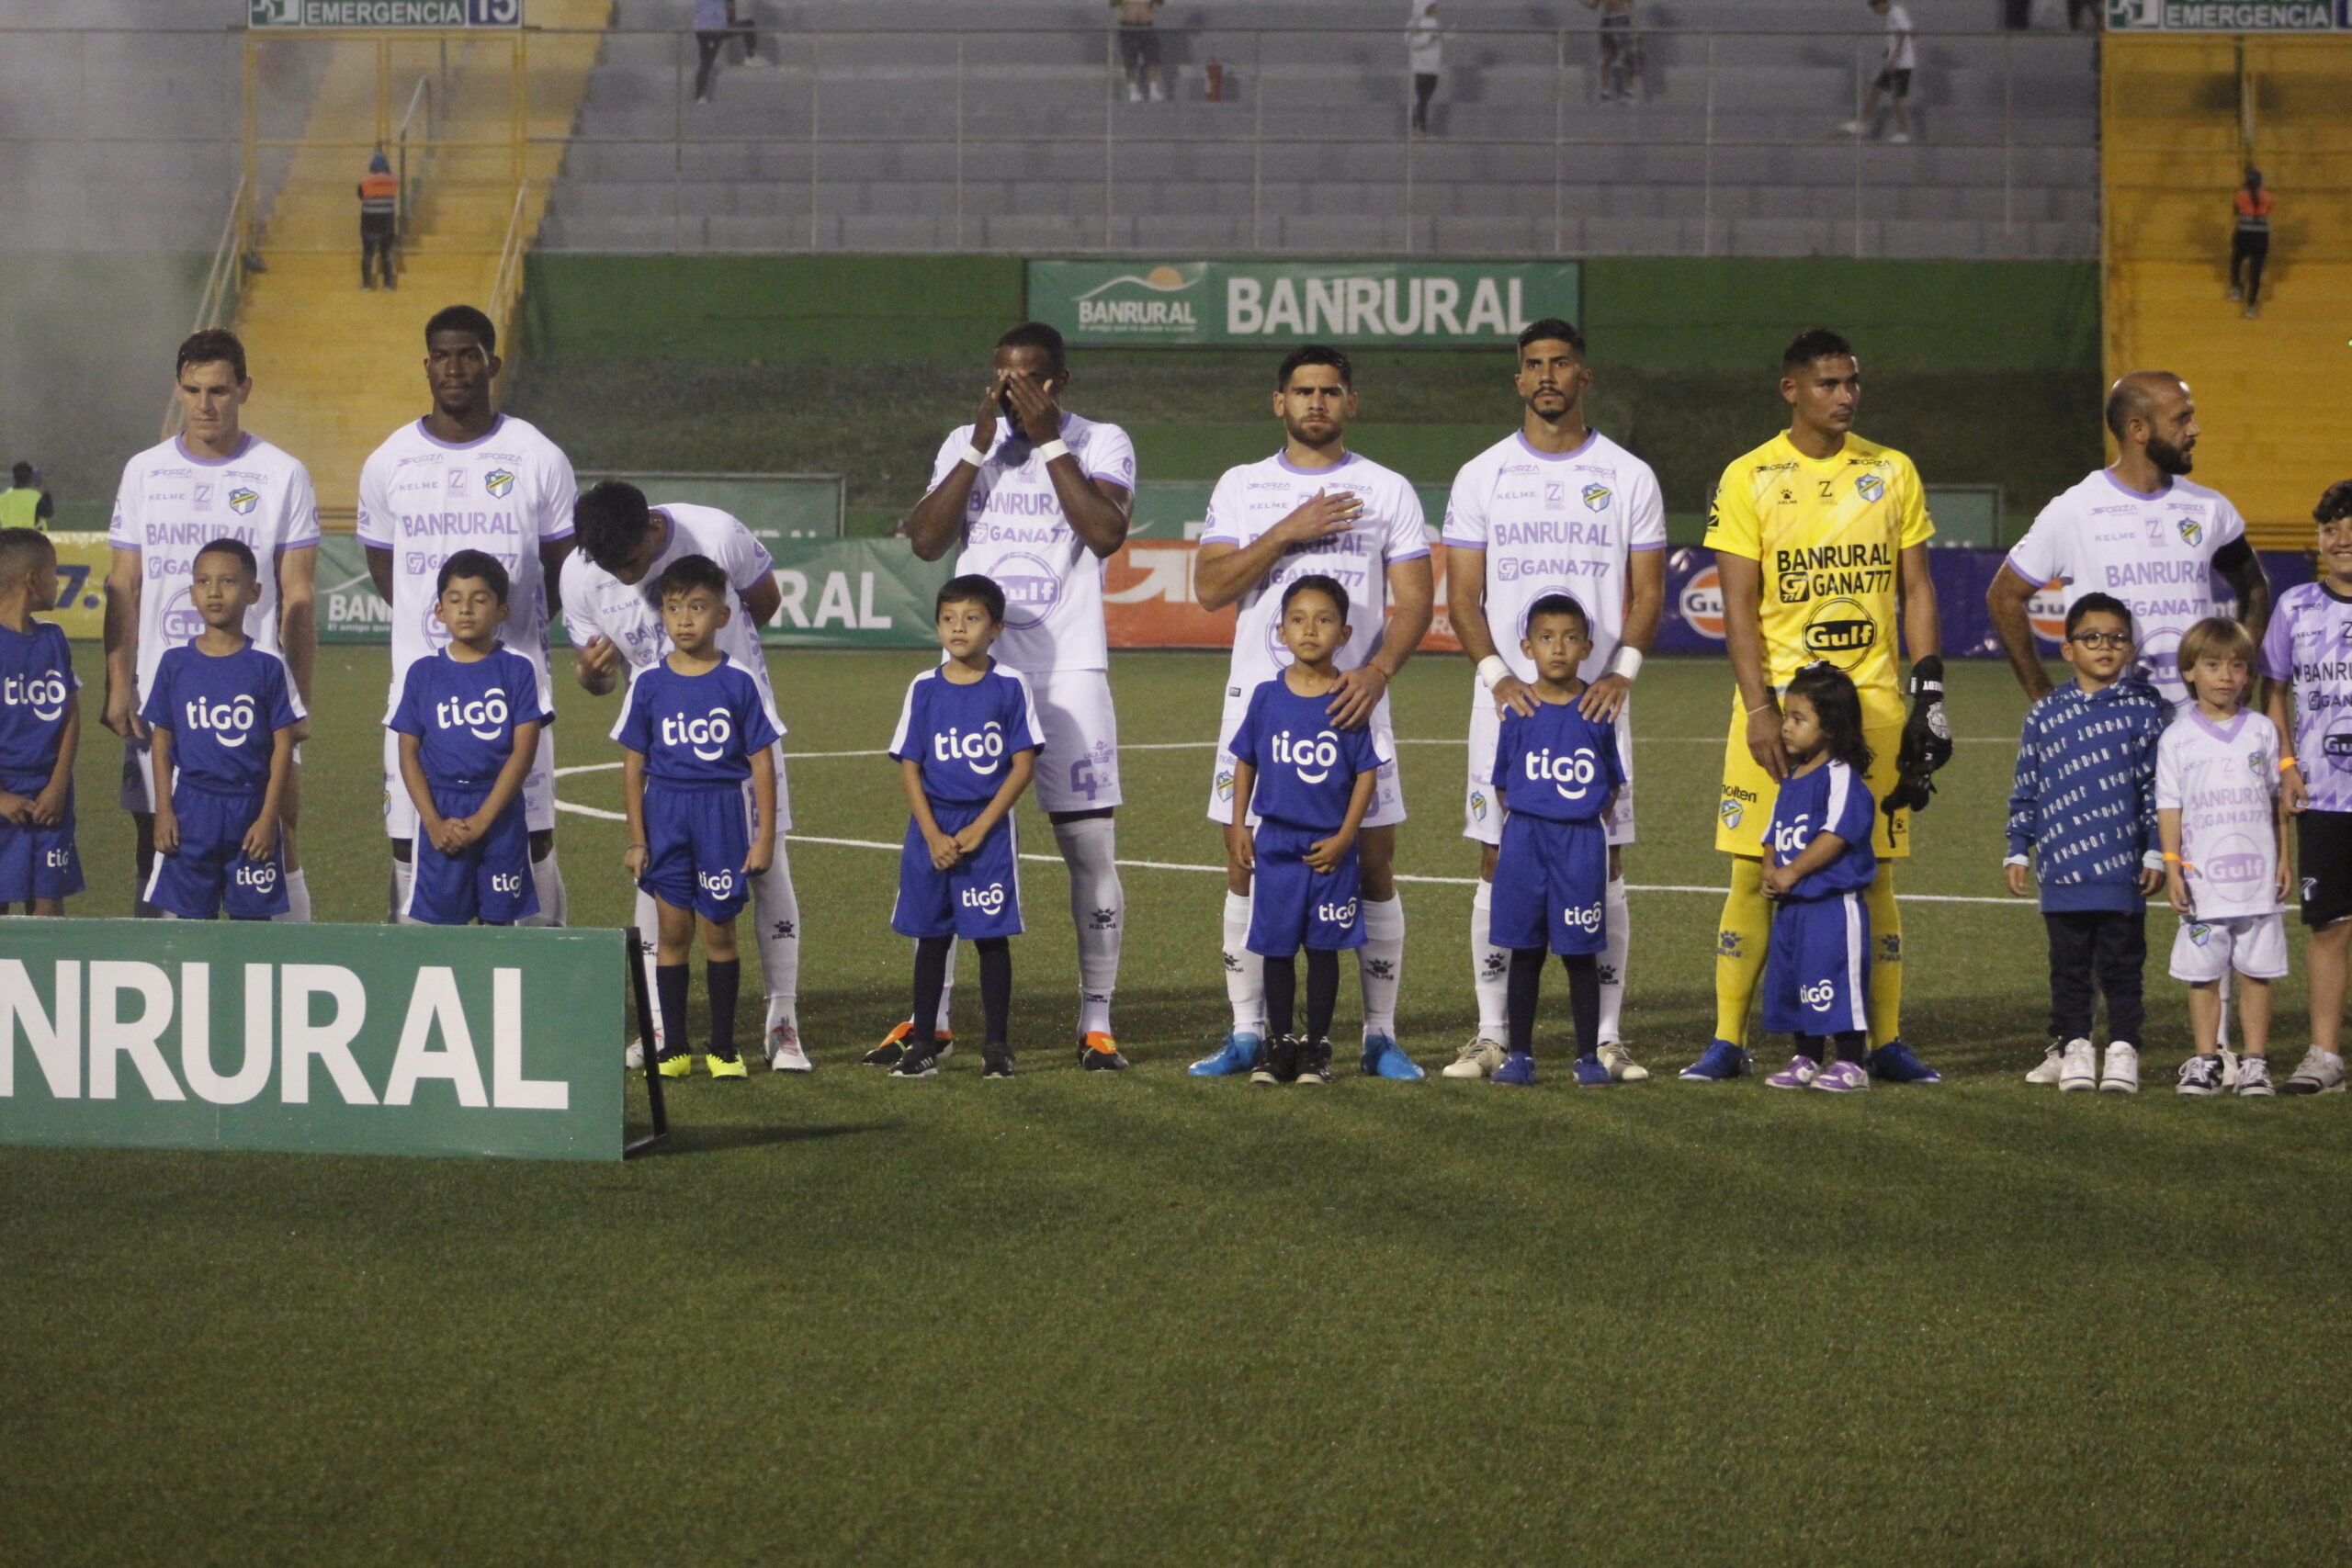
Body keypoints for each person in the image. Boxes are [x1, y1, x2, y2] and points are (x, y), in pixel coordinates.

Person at [1684, 328, 1947, 1086]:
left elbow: (1918, 588)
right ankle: (1729, 1039)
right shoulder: (1750, 475)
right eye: (1829, 383)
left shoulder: (1892, 470)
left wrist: (1929, 692)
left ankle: (1884, 1040)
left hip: (1873, 711)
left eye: (1852, 382)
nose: (1845, 395)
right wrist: (1759, 707)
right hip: (1778, 717)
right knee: (1750, 873)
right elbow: (1738, 605)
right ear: (1792, 389)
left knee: (1876, 875)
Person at [1189, 345, 1435, 1083]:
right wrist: (1288, 530)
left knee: (1373, 862)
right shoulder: (1242, 486)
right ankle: (1245, 1032)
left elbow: (1417, 600)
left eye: (1331, 391)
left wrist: (1378, 670)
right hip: (1261, 711)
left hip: (1350, 706)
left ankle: (1378, 1035)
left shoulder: (1387, 489)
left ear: (1351, 403)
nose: (1317, 402)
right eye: (1303, 391)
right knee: (1245, 866)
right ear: (1279, 403)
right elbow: (1209, 587)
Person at [898, 321, 1136, 1072]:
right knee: (944, 841)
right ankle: (929, 1020)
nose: (1010, 389)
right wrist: (976, 446)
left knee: (1087, 847)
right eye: (1001, 375)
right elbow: (928, 541)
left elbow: (1104, 533)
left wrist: (1049, 441)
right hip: (972, 675)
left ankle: (1095, 1017)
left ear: (1057, 382)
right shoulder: (963, 444)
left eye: (1026, 377)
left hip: (1068, 671)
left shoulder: (1102, 441)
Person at [1442, 316, 1664, 1082]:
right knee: (1495, 857)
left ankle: (1605, 1038)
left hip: (1599, 706)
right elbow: (1463, 595)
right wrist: (1497, 676)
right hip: (1509, 703)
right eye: (1533, 364)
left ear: (1583, 377)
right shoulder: (1481, 474)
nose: (1546, 375)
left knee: (1603, 860)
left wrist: (1623, 671)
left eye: (1561, 363)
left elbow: (1648, 589)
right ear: (1518, 379)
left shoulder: (1629, 475)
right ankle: (1493, 1033)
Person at [567, 480, 807, 1069]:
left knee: (767, 868)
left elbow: (765, 602)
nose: (624, 579)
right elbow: (598, 678)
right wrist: (592, 675)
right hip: (668, 764)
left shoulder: (716, 532)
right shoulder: (579, 574)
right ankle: (658, 1027)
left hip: (738, 745)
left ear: (652, 528)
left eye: (632, 564)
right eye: (610, 568)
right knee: (656, 886)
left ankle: (783, 1025)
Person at [359, 304, 575, 930]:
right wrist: (446, 639)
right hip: (423, 700)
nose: (454, 367)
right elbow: (385, 568)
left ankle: (542, 1000)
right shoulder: (390, 461)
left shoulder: (536, 455)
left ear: (491, 362)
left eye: (468, 354)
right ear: (426, 365)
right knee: (413, 849)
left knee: (530, 845)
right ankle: (426, 1003)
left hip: (516, 697)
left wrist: (510, 632)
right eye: (442, 356)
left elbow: (561, 567)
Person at [105, 329, 319, 921]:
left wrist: (297, 698)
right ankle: (161, 979)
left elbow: (299, 596)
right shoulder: (144, 472)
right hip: (162, 698)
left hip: (254, 700)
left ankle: (291, 976)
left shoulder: (282, 474)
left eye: (220, 390)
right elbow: (123, 583)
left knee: (275, 837)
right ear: (179, 391)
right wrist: (118, 682)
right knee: (155, 844)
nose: (205, 405)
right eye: (193, 390)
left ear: (245, 389)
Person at [1988, 371, 2269, 712]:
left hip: (2199, 729)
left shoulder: (2210, 508)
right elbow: (2004, 595)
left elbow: (2254, 588)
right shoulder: (2074, 510)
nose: (2195, 430)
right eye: (2181, 419)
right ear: (2139, 430)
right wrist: (2044, 697)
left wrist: (2243, 667)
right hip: (2111, 732)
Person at [615, 554, 780, 1080]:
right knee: (671, 931)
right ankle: (676, 1046)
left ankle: (724, 1046)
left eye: (698, 607)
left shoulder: (738, 681)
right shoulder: (648, 683)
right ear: (662, 614)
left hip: (719, 815)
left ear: (723, 616)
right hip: (666, 814)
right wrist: (637, 839)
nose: (684, 619)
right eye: (673, 607)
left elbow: (762, 763)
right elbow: (633, 764)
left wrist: (764, 837)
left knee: (719, 932)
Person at [2004, 593, 2170, 1093]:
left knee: (2123, 967)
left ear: (2131, 649)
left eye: (2116, 638)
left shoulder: (2145, 713)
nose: (2105, 646)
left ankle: (2123, 1049)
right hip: (2063, 874)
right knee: (2069, 969)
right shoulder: (2045, 715)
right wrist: (2017, 846)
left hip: (2122, 875)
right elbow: (2026, 788)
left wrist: (2155, 848)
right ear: (2069, 649)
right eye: (2091, 637)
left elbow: (2156, 791)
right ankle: (2075, 1045)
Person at [1225, 575, 1386, 1087]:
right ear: (1280, 631)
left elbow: (1366, 771)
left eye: (1323, 620)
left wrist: (1345, 837)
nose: (1309, 630)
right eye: (1297, 619)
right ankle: (1278, 1045)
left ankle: (1316, 1047)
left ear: (1344, 633)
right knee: (1276, 947)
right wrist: (1240, 824)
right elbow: (1244, 760)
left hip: (1328, 849)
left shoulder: (1349, 699)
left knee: (1322, 949)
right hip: (1276, 843)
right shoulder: (1267, 697)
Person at [885, 575, 1042, 1080]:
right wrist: (931, 834)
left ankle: (997, 1044)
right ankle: (925, 1040)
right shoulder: (924, 686)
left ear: (995, 628)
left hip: (987, 832)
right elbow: (910, 763)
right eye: (949, 619)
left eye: (971, 619)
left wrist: (980, 827)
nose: (958, 628)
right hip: (932, 830)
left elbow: (1022, 765)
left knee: (990, 938)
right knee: (931, 937)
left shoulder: (1010, 685)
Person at [1487, 594, 1623, 1090]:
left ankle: (1587, 1055)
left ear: (1587, 647)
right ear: (1527, 647)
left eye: (1569, 638)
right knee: (1525, 952)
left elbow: (1612, 783)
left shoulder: (1597, 709)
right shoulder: (1517, 709)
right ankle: (1519, 1055)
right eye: (1546, 638)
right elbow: (1502, 783)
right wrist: (1535, 815)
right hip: (1525, 842)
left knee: (1579, 954)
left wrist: (1580, 822)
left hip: (1578, 846)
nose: (1558, 649)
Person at [2160, 617, 2290, 1098]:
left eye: (2237, 666)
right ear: (2189, 671)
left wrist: (2283, 859)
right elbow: (2169, 806)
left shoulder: (2261, 731)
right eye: (2212, 665)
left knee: (2257, 972)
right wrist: (2172, 866)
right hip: (2202, 883)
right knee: (2203, 975)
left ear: (2248, 675)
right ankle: (2205, 1060)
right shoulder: (2176, 737)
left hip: (2256, 880)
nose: (2226, 676)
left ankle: (2256, 1062)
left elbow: (2278, 802)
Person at [140, 538, 302, 922]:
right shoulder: (175, 663)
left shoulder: (266, 665)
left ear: (253, 592)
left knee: (251, 928)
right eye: (203, 582)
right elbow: (161, 740)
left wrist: (267, 819)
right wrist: (163, 809)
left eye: (227, 582)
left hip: (249, 808)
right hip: (193, 807)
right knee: (192, 926)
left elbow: (283, 746)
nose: (213, 591)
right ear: (192, 591)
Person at [389, 550, 548, 927]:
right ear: (439, 611)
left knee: (500, 926)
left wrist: (483, 819)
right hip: (441, 810)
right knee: (444, 930)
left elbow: (523, 753)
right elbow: (408, 753)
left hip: (500, 811)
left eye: (480, 599)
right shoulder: (423, 673)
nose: (466, 609)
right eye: (455, 600)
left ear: (502, 610)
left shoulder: (517, 670)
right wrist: (432, 822)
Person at [2260, 479, 2352, 1095]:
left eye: (2349, 527)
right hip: (2324, 796)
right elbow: (2274, 691)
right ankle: (2324, 1054)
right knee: (2330, 925)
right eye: (2329, 529)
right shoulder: (2295, 606)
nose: (2340, 539)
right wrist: (2286, 764)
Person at [1756, 664, 1881, 1094]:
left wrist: (1793, 870)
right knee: (1797, 983)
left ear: (1829, 728)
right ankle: (1805, 1056)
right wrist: (1770, 869)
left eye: (1797, 719)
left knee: (1837, 980)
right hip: (1793, 907)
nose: (1785, 727)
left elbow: (1838, 833)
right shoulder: (1791, 777)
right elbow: (1772, 832)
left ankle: (1851, 1061)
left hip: (1830, 904)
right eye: (1786, 715)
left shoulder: (1841, 776)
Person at [0, 529, 81, 915]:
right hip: (4, 794)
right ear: (31, 580)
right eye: (53, 572)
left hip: (50, 795)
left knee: (49, 911)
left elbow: (70, 713)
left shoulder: (54, 639)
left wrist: (59, 784)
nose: (57, 582)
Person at [1839, 0, 1916, 145]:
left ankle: (1903, 132)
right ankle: (1862, 123)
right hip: (1894, 62)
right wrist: (1889, 50)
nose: (1876, 13)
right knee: (1877, 89)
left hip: (1901, 64)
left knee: (1898, 97)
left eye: (1875, 9)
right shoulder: (1893, 14)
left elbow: (1904, 32)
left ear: (1881, 4)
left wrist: (1895, 55)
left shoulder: (1896, 12)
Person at [692, 0, 770, 105]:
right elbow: (730, 9)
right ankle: (751, 57)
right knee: (749, 24)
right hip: (717, 28)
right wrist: (729, 21)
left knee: (706, 62)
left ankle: (700, 96)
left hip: (700, 29)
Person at [2230, 168, 2272, 321]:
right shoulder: (2267, 197)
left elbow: (2236, 211)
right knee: (2256, 273)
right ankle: (2251, 307)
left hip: (2244, 234)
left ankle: (2236, 288)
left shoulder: (2240, 196)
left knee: (2236, 259)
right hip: (2261, 236)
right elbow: (2267, 210)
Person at [1582, 0, 1642, 102]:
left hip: (1622, 18)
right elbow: (1593, 6)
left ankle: (1629, 90)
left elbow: (1631, 3)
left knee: (1627, 56)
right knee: (1607, 57)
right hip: (1607, 20)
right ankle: (1605, 91)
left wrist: (1632, 19)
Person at [1114, 0, 1167, 104]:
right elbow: (1113, 3)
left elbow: (1160, 2)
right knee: (1130, 61)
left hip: (1147, 26)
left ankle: (1153, 90)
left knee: (1153, 58)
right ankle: (1133, 91)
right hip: (1128, 26)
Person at [358, 152, 397, 291]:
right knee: (386, 252)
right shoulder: (393, 181)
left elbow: (361, 195)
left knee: (367, 253)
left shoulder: (365, 181)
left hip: (369, 222)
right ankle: (388, 285)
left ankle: (367, 285)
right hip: (386, 223)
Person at [1408, 0, 1444, 135]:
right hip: (1422, 67)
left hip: (1433, 67)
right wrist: (1429, 39)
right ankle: (1419, 125)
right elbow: (1411, 41)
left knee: (1425, 97)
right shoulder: (1415, 23)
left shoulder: (1434, 23)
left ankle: (1415, 121)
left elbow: (1440, 38)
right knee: (1423, 97)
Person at [0, 463, 53, 532]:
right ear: (30, 479)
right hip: (31, 540)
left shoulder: (3, 498)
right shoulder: (35, 497)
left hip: (9, 540)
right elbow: (48, 513)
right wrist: (46, 493)